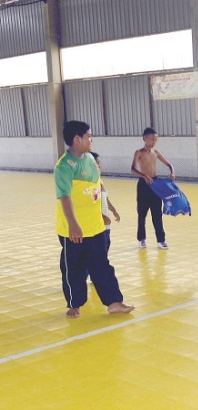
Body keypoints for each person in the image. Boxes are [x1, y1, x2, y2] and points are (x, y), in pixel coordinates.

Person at [55, 120, 134, 318]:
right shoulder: (64, 166)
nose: (91, 140)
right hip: (73, 229)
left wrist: (104, 212)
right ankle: (74, 304)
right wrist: (73, 224)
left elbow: (96, 189)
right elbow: (65, 196)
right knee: (74, 268)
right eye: (88, 136)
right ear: (77, 139)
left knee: (102, 265)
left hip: (95, 226)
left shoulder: (90, 159)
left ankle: (114, 302)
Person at [131, 127, 175, 250]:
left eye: (155, 140)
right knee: (142, 213)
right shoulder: (139, 152)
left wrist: (172, 172)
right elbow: (133, 168)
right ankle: (141, 239)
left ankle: (161, 240)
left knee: (157, 214)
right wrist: (144, 176)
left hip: (155, 184)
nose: (154, 142)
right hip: (143, 185)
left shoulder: (156, 152)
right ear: (144, 138)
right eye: (151, 139)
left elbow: (168, 164)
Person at [90, 152, 120, 251]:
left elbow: (105, 198)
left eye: (99, 164)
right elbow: (92, 204)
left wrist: (114, 210)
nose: (99, 166)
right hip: (98, 223)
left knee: (107, 243)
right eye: (97, 163)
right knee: (100, 248)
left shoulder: (100, 180)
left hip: (105, 223)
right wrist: (101, 216)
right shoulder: (91, 183)